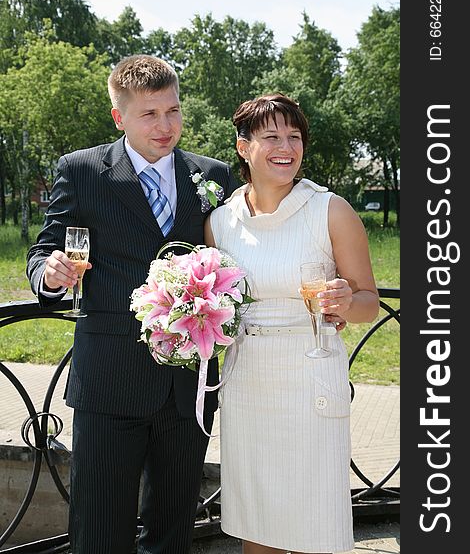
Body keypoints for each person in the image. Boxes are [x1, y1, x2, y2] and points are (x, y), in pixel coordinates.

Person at [26, 54, 239, 554]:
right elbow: (43, 251)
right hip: (109, 381)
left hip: (188, 384)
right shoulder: (82, 171)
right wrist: (50, 274)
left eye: (174, 111)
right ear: (119, 117)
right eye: (149, 114)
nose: (166, 127)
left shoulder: (214, 176)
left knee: (172, 531)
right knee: (99, 533)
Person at [204, 93, 379, 554]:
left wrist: (346, 300)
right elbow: (216, 305)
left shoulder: (330, 210)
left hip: (309, 378)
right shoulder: (220, 223)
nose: (287, 146)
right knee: (257, 522)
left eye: (294, 136)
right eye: (272, 136)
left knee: (313, 519)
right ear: (244, 147)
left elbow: (369, 303)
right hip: (247, 382)